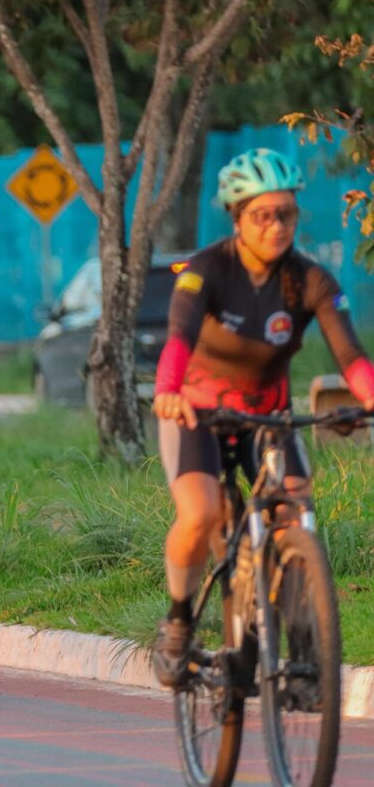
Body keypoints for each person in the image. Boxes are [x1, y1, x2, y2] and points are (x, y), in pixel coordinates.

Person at [150, 148, 374, 686]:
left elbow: (352, 358)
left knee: (295, 507)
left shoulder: (311, 279)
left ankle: (301, 656)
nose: (276, 226)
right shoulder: (205, 271)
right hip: (196, 414)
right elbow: (177, 342)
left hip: (268, 416)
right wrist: (167, 391)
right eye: (262, 215)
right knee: (201, 514)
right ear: (238, 218)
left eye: (286, 215)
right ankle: (179, 622)